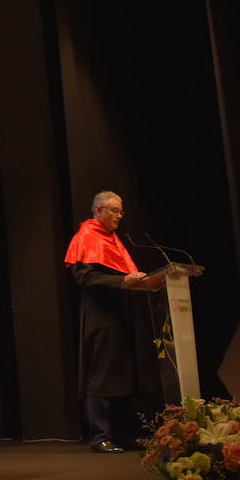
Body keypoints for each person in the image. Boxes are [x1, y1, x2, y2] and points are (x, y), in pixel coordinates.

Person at [64, 190, 164, 454]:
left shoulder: (113, 240)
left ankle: (122, 432)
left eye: (121, 211)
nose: (120, 216)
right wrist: (123, 281)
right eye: (115, 210)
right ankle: (101, 435)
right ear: (99, 211)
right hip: (101, 317)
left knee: (125, 375)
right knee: (103, 377)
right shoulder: (85, 238)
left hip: (123, 316)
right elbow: (85, 278)